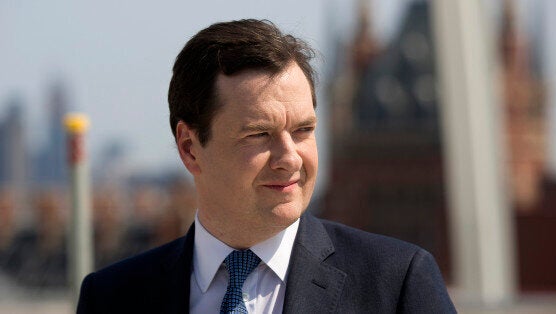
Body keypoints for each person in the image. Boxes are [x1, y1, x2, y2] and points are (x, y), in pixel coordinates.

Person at [77, 19, 456, 314]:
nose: (290, 157)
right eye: (258, 135)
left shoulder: (395, 284)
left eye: (303, 130)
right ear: (190, 148)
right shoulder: (112, 298)